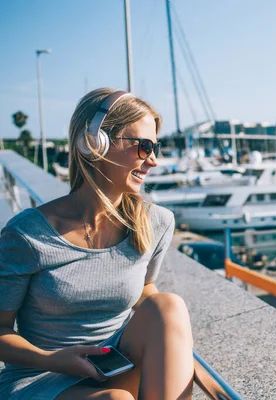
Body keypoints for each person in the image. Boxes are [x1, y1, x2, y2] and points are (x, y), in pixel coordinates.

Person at [0, 88, 194, 399]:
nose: (154, 161)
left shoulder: (155, 222)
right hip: (40, 376)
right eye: (144, 147)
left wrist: (175, 346)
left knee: (169, 305)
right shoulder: (26, 235)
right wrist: (51, 358)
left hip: (111, 366)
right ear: (95, 143)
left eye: (156, 147)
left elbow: (145, 290)